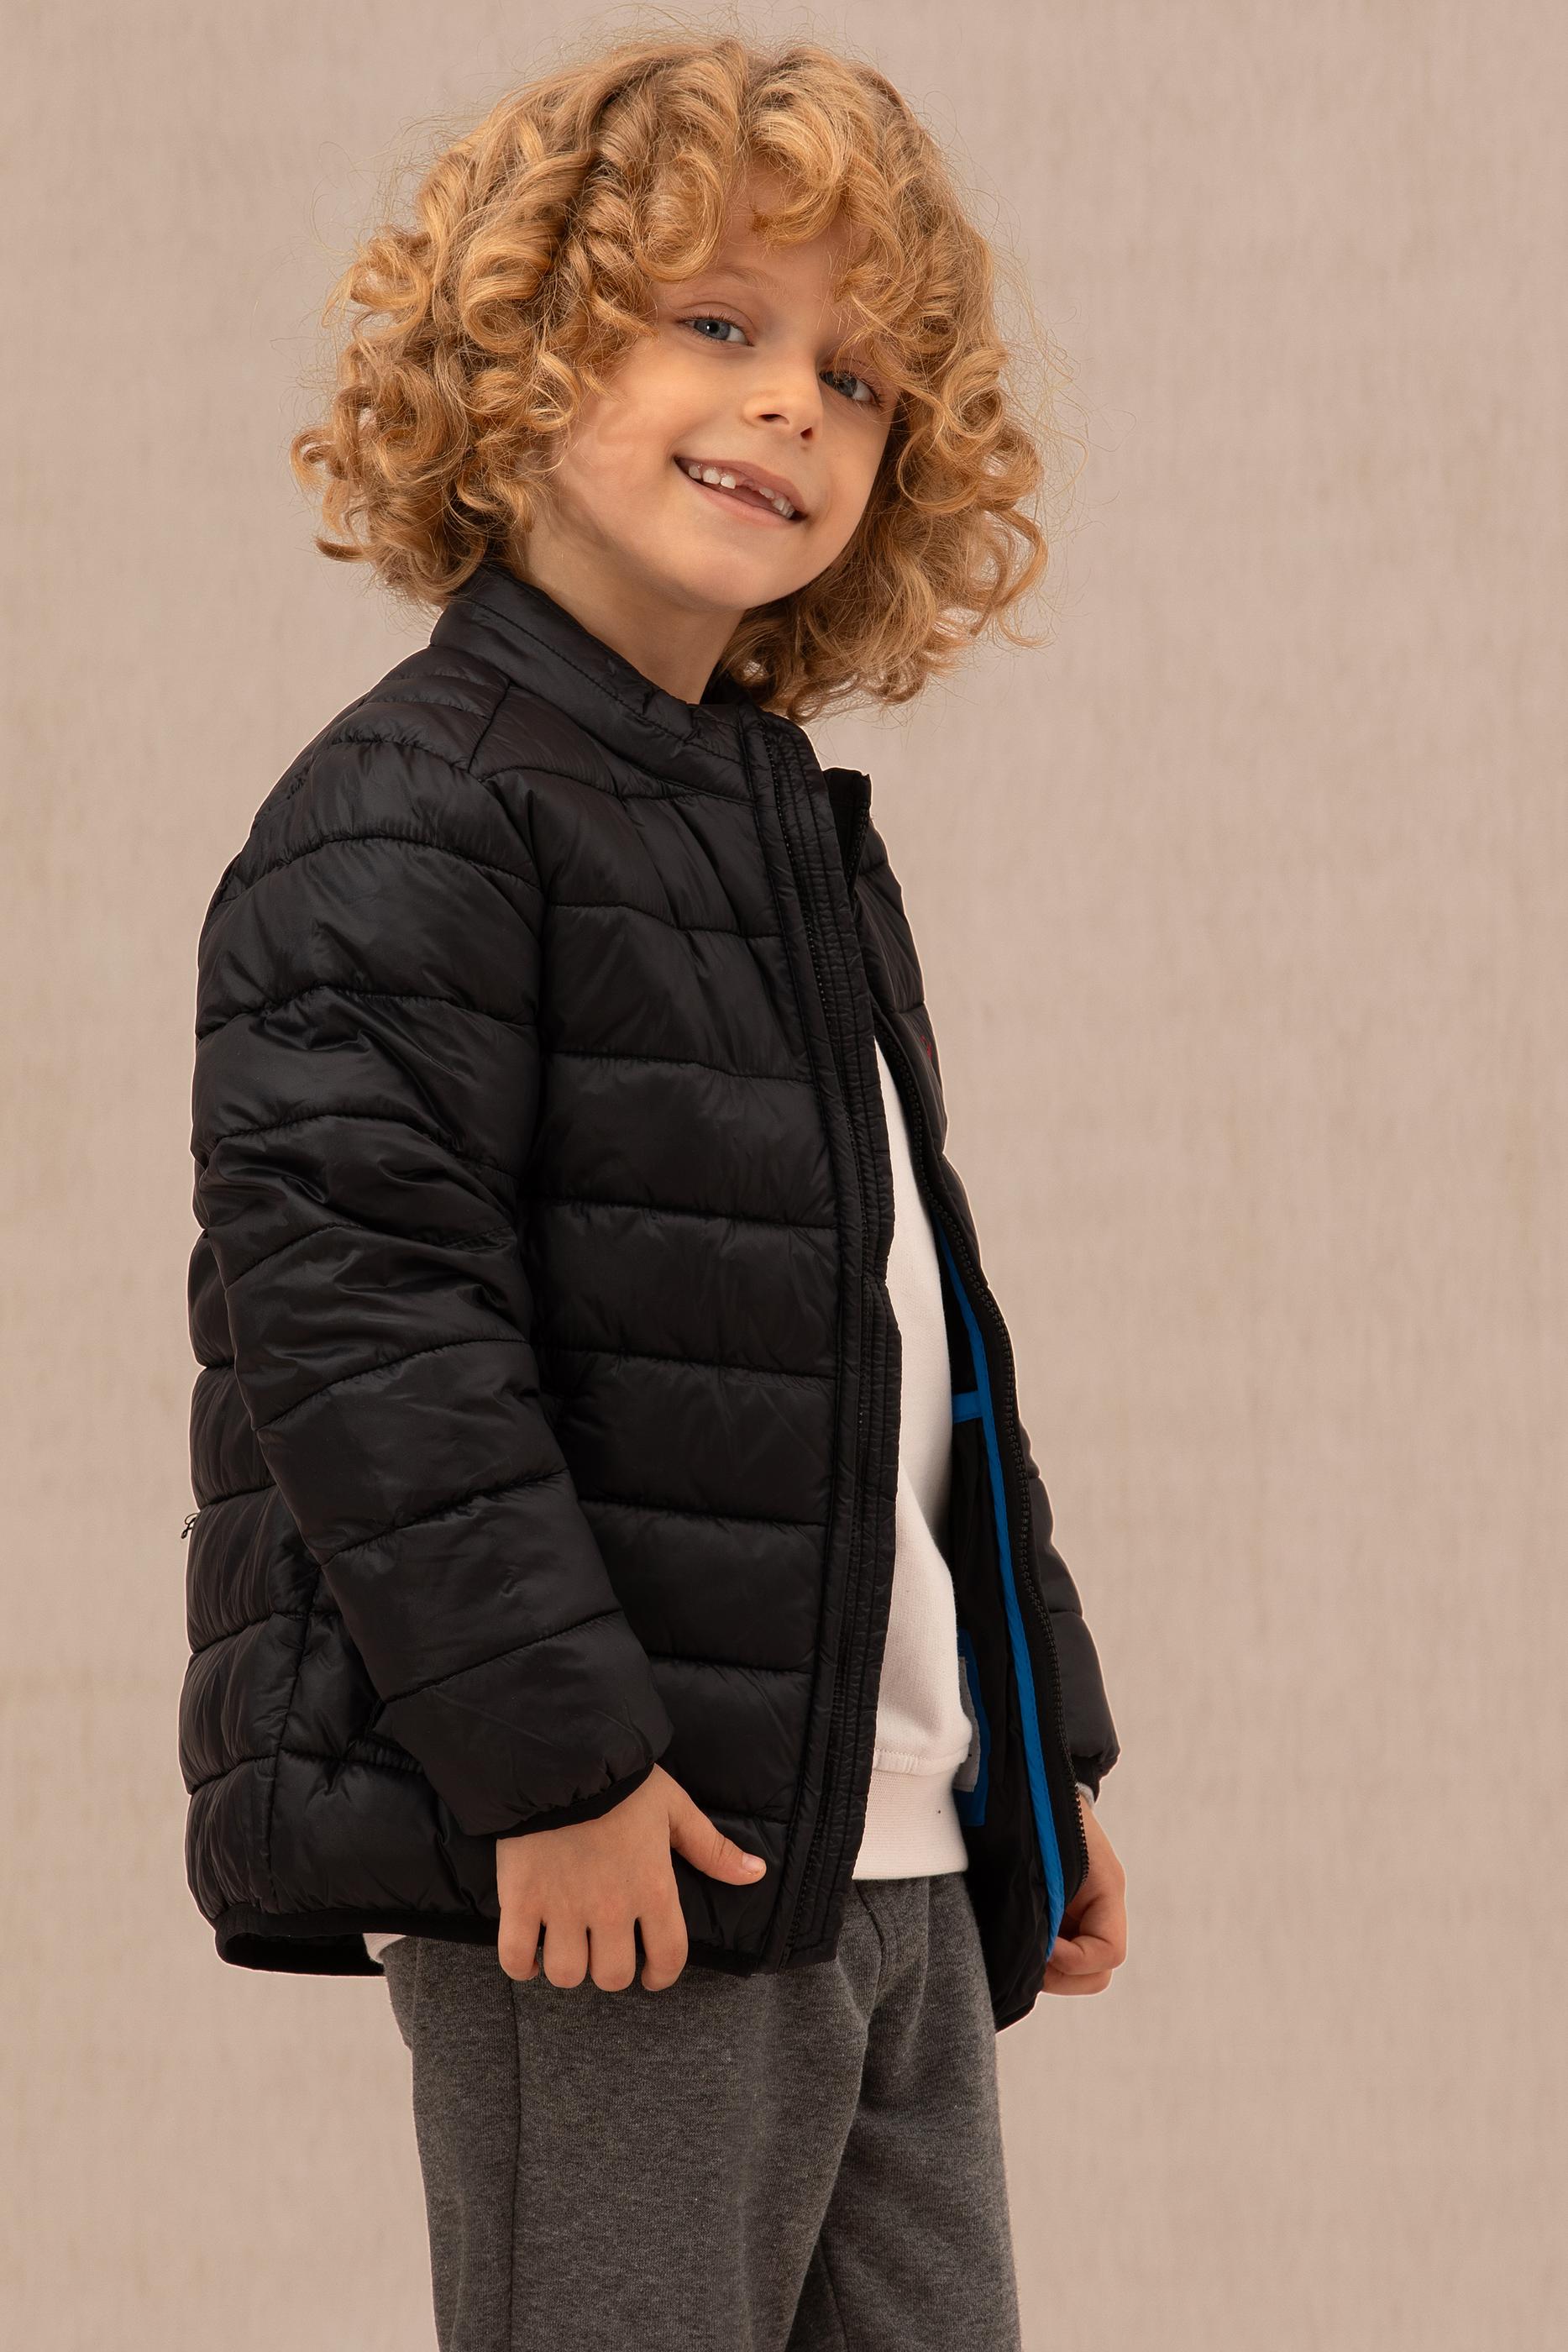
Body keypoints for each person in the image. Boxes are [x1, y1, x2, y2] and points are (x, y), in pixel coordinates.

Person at [179, 28, 1127, 2350]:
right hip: (631, 1861)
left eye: (859, 378)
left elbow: (910, 1339)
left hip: (883, 1838)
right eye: (717, 321)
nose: (793, 401)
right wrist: (561, 1765)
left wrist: (1035, 1746)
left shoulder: (775, 835)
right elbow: (366, 1333)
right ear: (521, 351)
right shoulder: (414, 810)